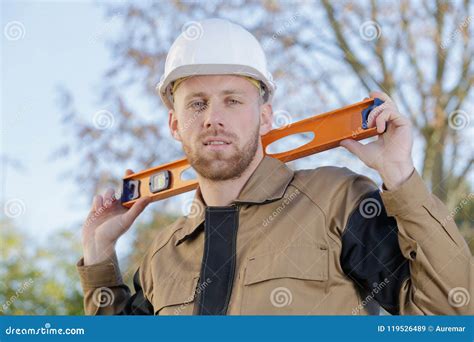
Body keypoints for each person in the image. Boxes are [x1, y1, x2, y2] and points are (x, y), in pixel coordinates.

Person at [77, 18, 472, 315]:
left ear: (265, 118)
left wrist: (401, 177)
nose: (214, 118)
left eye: (233, 100)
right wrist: (98, 256)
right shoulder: (163, 254)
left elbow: (452, 310)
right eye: (197, 103)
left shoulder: (336, 200)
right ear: (175, 125)